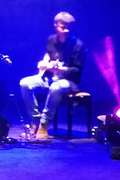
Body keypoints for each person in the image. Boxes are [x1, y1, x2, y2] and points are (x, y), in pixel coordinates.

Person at [19, 11, 85, 140]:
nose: (66, 30)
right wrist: (43, 63)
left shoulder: (78, 45)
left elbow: (77, 70)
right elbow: (48, 55)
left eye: (68, 27)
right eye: (62, 27)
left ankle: (44, 124)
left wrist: (59, 69)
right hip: (49, 77)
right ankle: (35, 122)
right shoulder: (51, 40)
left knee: (56, 87)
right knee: (25, 83)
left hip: (68, 81)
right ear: (56, 25)